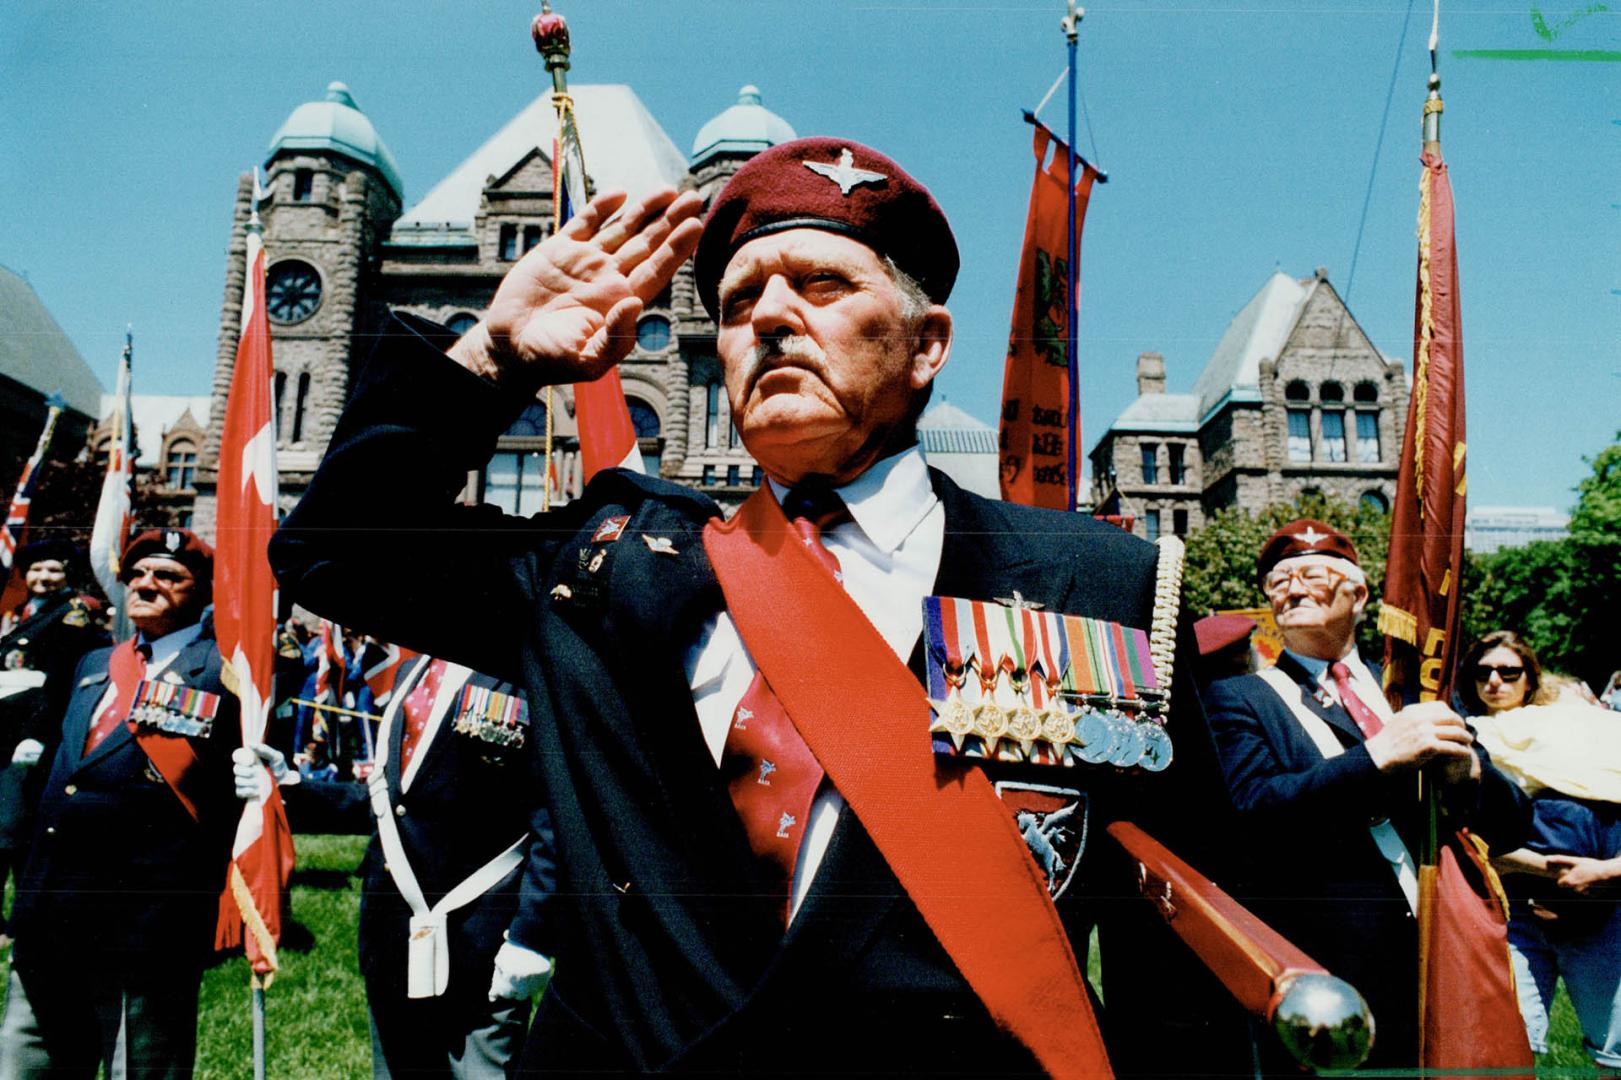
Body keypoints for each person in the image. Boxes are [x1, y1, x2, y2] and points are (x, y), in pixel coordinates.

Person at [270, 138, 1247, 1075]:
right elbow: (337, 551)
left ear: (925, 343)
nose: (772, 316)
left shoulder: (1094, 581)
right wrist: (495, 355)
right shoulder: (606, 561)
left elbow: (1183, 962)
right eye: (739, 301)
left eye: (823, 285)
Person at [1202, 519, 1530, 1071]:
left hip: (1440, 942)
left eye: (1312, 574)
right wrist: (1376, 758)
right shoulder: (1242, 698)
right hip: (1327, 958)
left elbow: (1515, 823)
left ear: (1359, 594)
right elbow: (1251, 811)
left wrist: (1468, 774)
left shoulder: (1410, 690)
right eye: (1277, 582)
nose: (1293, 589)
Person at [234, 653, 557, 1078]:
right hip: (392, 936)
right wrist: (290, 789)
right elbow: (390, 802)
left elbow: (554, 820)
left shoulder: (529, 674)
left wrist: (531, 936)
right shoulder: (411, 672)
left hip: (481, 945)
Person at [0, 529, 241, 1078]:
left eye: (167, 576)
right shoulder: (92, 664)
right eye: (137, 575)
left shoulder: (223, 673)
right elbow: (55, 771)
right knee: (25, 1058)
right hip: (50, 906)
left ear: (200, 593)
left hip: (142, 919)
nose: (146, 585)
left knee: (138, 1063)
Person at [1461, 631, 1621, 1070]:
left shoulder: (1583, 729)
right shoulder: (1465, 738)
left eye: (1508, 672)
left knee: (1616, 1051)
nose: (1494, 681)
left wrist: (1605, 870)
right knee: (1510, 1044)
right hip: (1517, 912)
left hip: (1602, 907)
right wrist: (1548, 870)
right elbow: (1463, 839)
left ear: (1529, 678)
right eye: (1483, 672)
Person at [0, 539, 108, 944]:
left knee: (15, 832)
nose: (43, 578)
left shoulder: (71, 616)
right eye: (36, 571)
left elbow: (59, 683)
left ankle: (21, 922)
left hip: (32, 741)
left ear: (67, 576)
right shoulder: (27, 615)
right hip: (6, 736)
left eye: (53, 570)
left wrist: (36, 735)